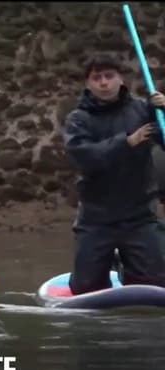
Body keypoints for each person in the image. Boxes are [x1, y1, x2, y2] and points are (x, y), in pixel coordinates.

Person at [62, 54, 165, 294]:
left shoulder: (143, 110)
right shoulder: (78, 120)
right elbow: (85, 158)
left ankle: (127, 266)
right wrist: (126, 142)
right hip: (96, 218)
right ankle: (114, 262)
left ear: (121, 79)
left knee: (156, 285)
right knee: (85, 287)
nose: (104, 83)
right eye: (97, 78)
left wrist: (164, 113)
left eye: (109, 76)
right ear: (88, 83)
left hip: (139, 215)